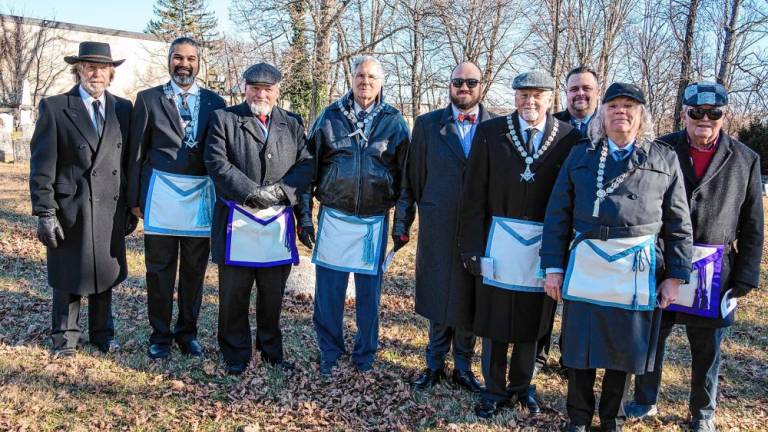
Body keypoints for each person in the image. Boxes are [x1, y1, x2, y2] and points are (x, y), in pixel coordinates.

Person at [540, 83, 693, 432]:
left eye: (629, 106)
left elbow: (679, 223)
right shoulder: (581, 155)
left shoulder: (663, 158)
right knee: (580, 344)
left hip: (636, 266)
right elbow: (557, 214)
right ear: (602, 113)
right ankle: (578, 417)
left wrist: (675, 275)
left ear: (642, 115)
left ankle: (611, 417)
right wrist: (552, 267)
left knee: (624, 349)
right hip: (587, 260)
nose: (621, 112)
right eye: (613, 106)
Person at [624, 82, 764, 432]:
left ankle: (702, 411)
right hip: (664, 260)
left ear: (723, 115)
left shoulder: (745, 158)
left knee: (707, 350)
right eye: (696, 112)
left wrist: (746, 276)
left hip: (716, 270)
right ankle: (645, 399)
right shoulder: (660, 149)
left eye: (714, 113)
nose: (705, 119)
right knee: (652, 339)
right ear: (683, 112)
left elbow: (753, 225)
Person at [458, 70, 581, 418]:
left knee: (532, 320)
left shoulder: (569, 140)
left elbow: (570, 199)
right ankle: (494, 390)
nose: (530, 101)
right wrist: (470, 247)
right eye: (523, 94)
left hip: (544, 244)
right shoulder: (490, 133)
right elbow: (473, 195)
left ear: (549, 97)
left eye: (537, 95)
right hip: (497, 240)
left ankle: (522, 386)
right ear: (514, 97)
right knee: (494, 318)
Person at [298, 56, 410, 375]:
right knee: (329, 293)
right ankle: (330, 351)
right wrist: (304, 217)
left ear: (381, 81)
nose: (365, 82)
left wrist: (402, 225)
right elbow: (308, 169)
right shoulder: (330, 117)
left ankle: (364, 355)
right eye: (360, 75)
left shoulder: (395, 122)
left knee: (368, 296)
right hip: (334, 216)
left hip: (374, 221)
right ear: (351, 78)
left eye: (372, 77)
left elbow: (406, 181)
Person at [204, 63, 313, 375]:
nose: (261, 93)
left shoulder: (291, 122)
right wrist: (251, 193)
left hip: (276, 223)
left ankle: (270, 350)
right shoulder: (223, 119)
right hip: (236, 221)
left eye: (268, 88)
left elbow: (306, 165)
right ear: (244, 87)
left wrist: (281, 193)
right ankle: (235, 352)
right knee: (233, 295)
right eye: (255, 87)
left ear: (278, 91)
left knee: (272, 296)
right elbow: (216, 162)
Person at [29, 41, 134, 357]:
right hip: (70, 207)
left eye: (103, 68)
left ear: (111, 73)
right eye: (89, 67)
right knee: (68, 274)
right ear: (78, 70)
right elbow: (42, 164)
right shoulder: (56, 107)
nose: (96, 73)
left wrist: (130, 204)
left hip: (110, 205)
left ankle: (102, 334)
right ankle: (65, 338)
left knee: (104, 272)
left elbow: (127, 160)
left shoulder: (123, 109)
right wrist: (45, 211)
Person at [396, 61, 494, 394]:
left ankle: (464, 367)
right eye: (457, 82)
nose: (463, 88)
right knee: (440, 294)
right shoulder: (426, 126)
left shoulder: (497, 127)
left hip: (480, 228)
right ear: (449, 85)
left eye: (471, 82)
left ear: (482, 85)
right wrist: (402, 224)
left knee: (470, 296)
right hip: (438, 224)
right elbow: (411, 179)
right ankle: (434, 364)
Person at [127, 37, 226, 360]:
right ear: (169, 60)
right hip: (161, 196)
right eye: (178, 58)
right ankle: (160, 335)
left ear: (199, 63)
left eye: (191, 59)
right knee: (159, 270)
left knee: (195, 271)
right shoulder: (148, 99)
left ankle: (188, 334)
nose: (184, 64)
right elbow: (136, 154)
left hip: (199, 196)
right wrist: (134, 198)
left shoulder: (216, 102)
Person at [554, 66, 600, 137]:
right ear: (567, 93)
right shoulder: (551, 124)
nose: (580, 93)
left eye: (586, 88)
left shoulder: (608, 124)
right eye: (574, 89)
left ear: (597, 93)